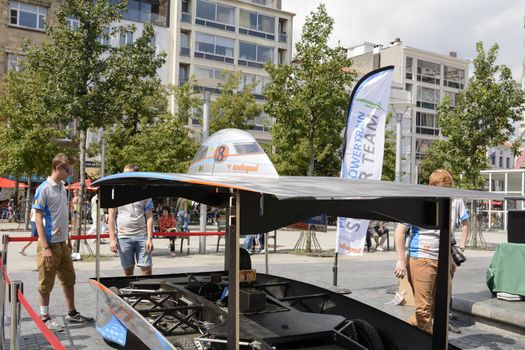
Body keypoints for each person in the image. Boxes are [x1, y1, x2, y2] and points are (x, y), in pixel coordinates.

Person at [393, 169, 468, 334]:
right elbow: (399, 231)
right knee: (424, 308)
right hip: (422, 258)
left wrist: (449, 257)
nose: (445, 193)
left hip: (442, 258)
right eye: (441, 189)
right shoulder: (418, 203)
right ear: (430, 186)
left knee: (440, 304)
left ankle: (404, 332)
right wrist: (400, 259)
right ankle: (429, 341)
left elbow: (446, 232)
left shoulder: (450, 203)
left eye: (448, 189)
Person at [33, 153, 93, 332]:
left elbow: (61, 215)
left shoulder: (62, 186)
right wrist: (45, 247)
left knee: (69, 279)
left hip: (62, 243)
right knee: (46, 282)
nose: (70, 173)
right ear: (58, 168)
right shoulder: (44, 188)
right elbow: (38, 218)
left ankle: (72, 313)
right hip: (49, 244)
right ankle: (44, 317)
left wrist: (67, 238)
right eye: (68, 170)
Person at [108, 164, 154, 276]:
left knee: (146, 268)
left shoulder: (145, 192)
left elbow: (149, 216)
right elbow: (111, 217)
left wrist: (149, 238)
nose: (126, 178)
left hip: (141, 236)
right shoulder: (116, 192)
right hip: (123, 236)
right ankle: (131, 292)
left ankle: (149, 291)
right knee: (128, 270)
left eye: (129, 175)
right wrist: (112, 239)